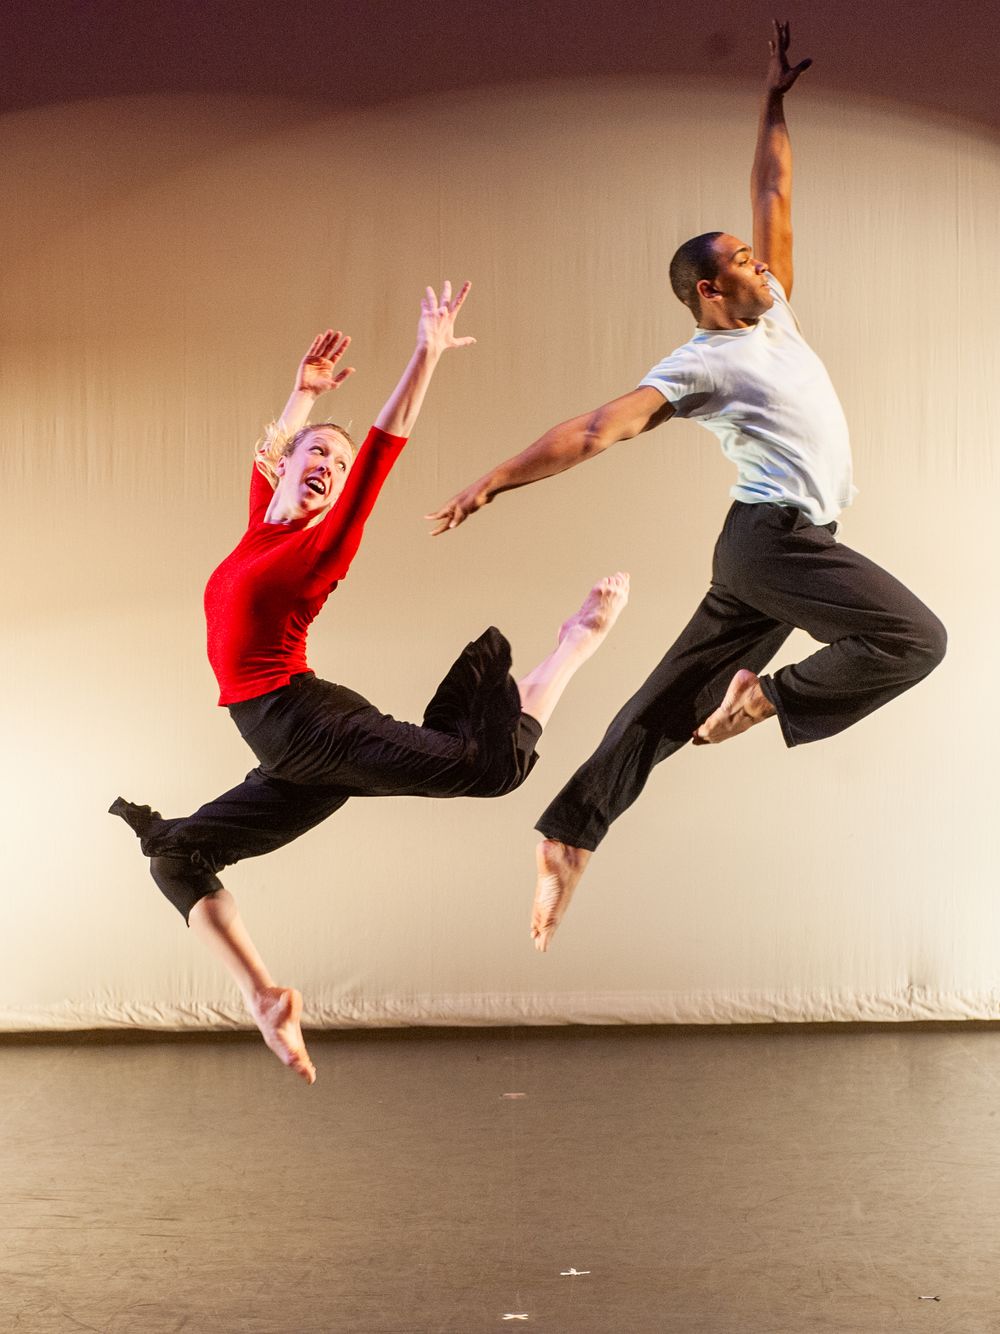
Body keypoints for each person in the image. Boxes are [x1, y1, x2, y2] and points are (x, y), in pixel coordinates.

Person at [427, 23, 946, 953]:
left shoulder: (775, 317)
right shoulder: (699, 363)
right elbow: (599, 427)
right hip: (775, 543)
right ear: (709, 290)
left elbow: (774, 192)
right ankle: (771, 699)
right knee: (914, 638)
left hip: (772, 549)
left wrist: (772, 100)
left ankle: (569, 831)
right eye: (743, 261)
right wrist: (495, 480)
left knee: (669, 705)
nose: (763, 265)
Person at [111, 281, 629, 1082]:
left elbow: (384, 447)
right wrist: (304, 397)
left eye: (338, 465)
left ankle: (573, 645)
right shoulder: (260, 525)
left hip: (308, 724)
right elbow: (272, 449)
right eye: (315, 454)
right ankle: (265, 999)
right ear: (286, 465)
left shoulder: (318, 549)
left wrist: (426, 354)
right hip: (285, 748)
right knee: (176, 859)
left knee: (491, 770)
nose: (327, 467)